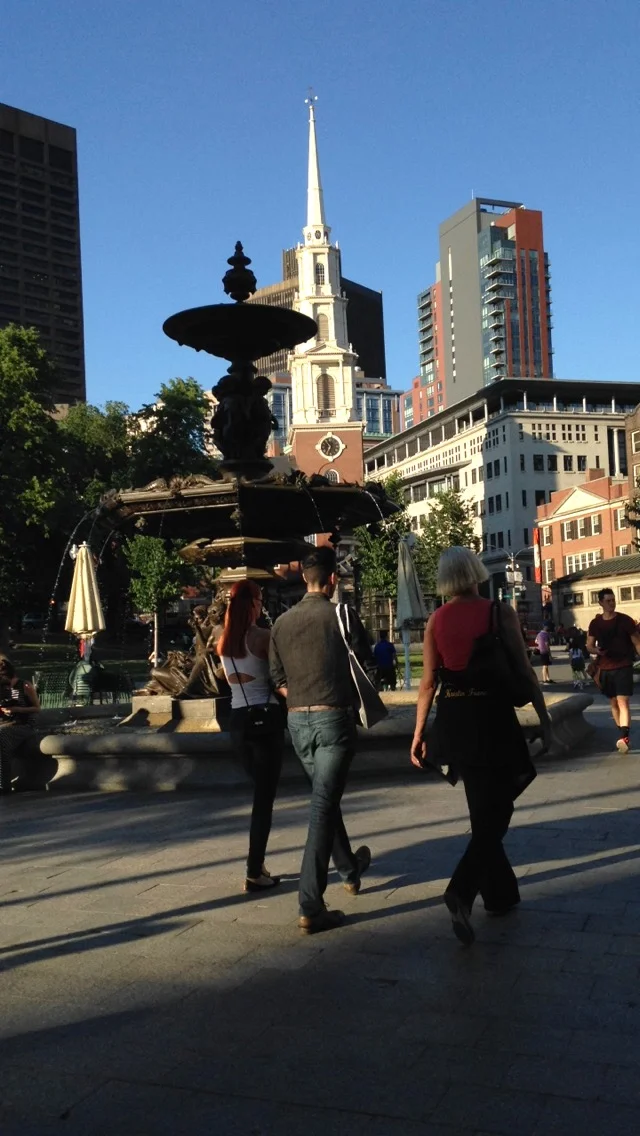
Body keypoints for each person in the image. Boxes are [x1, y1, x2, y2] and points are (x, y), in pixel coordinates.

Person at [411, 548, 551, 946]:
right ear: (474, 572)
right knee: (500, 808)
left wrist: (419, 733)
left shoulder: (436, 620)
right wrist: (546, 721)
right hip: (492, 718)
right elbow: (524, 671)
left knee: (482, 809)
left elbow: (428, 683)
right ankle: (461, 889)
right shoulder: (497, 612)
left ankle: (500, 895)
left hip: (455, 721)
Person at [269, 546, 373, 935]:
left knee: (324, 800)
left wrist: (301, 696)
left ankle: (349, 869)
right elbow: (367, 664)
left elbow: (277, 680)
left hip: (297, 722)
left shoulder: (281, 623)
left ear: (304, 579)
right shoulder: (341, 615)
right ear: (332, 580)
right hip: (334, 721)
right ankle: (310, 905)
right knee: (321, 808)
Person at [217, 580, 285, 892]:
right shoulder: (261, 637)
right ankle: (254, 869)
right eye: (260, 600)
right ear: (254, 603)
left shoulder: (223, 640)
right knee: (264, 801)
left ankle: (257, 865)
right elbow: (280, 674)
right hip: (264, 721)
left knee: (260, 793)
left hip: (238, 722)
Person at [586, 587, 640, 755]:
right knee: (614, 703)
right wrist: (596, 650)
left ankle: (624, 737)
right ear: (601, 603)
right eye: (608, 601)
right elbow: (589, 645)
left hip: (623, 665)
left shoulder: (625, 621)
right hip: (605, 668)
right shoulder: (595, 624)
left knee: (623, 702)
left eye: (613, 600)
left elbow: (637, 642)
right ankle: (622, 733)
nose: (612, 603)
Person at [0, 656, 40, 793]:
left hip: (23, 725)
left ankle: (3, 784)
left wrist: (17, 709)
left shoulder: (24, 685)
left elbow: (37, 708)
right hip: (4, 725)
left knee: (1, 738)